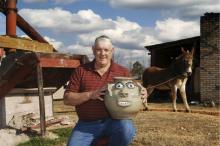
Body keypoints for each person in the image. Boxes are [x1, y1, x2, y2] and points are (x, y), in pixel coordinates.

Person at [63, 35, 147, 146]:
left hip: (115, 122)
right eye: (99, 50)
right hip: (86, 125)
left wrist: (142, 93)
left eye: (106, 50)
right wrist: (90, 94)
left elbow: (134, 91)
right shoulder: (81, 71)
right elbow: (67, 99)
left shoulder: (123, 72)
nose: (103, 53)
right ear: (93, 50)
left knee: (127, 128)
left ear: (112, 51)